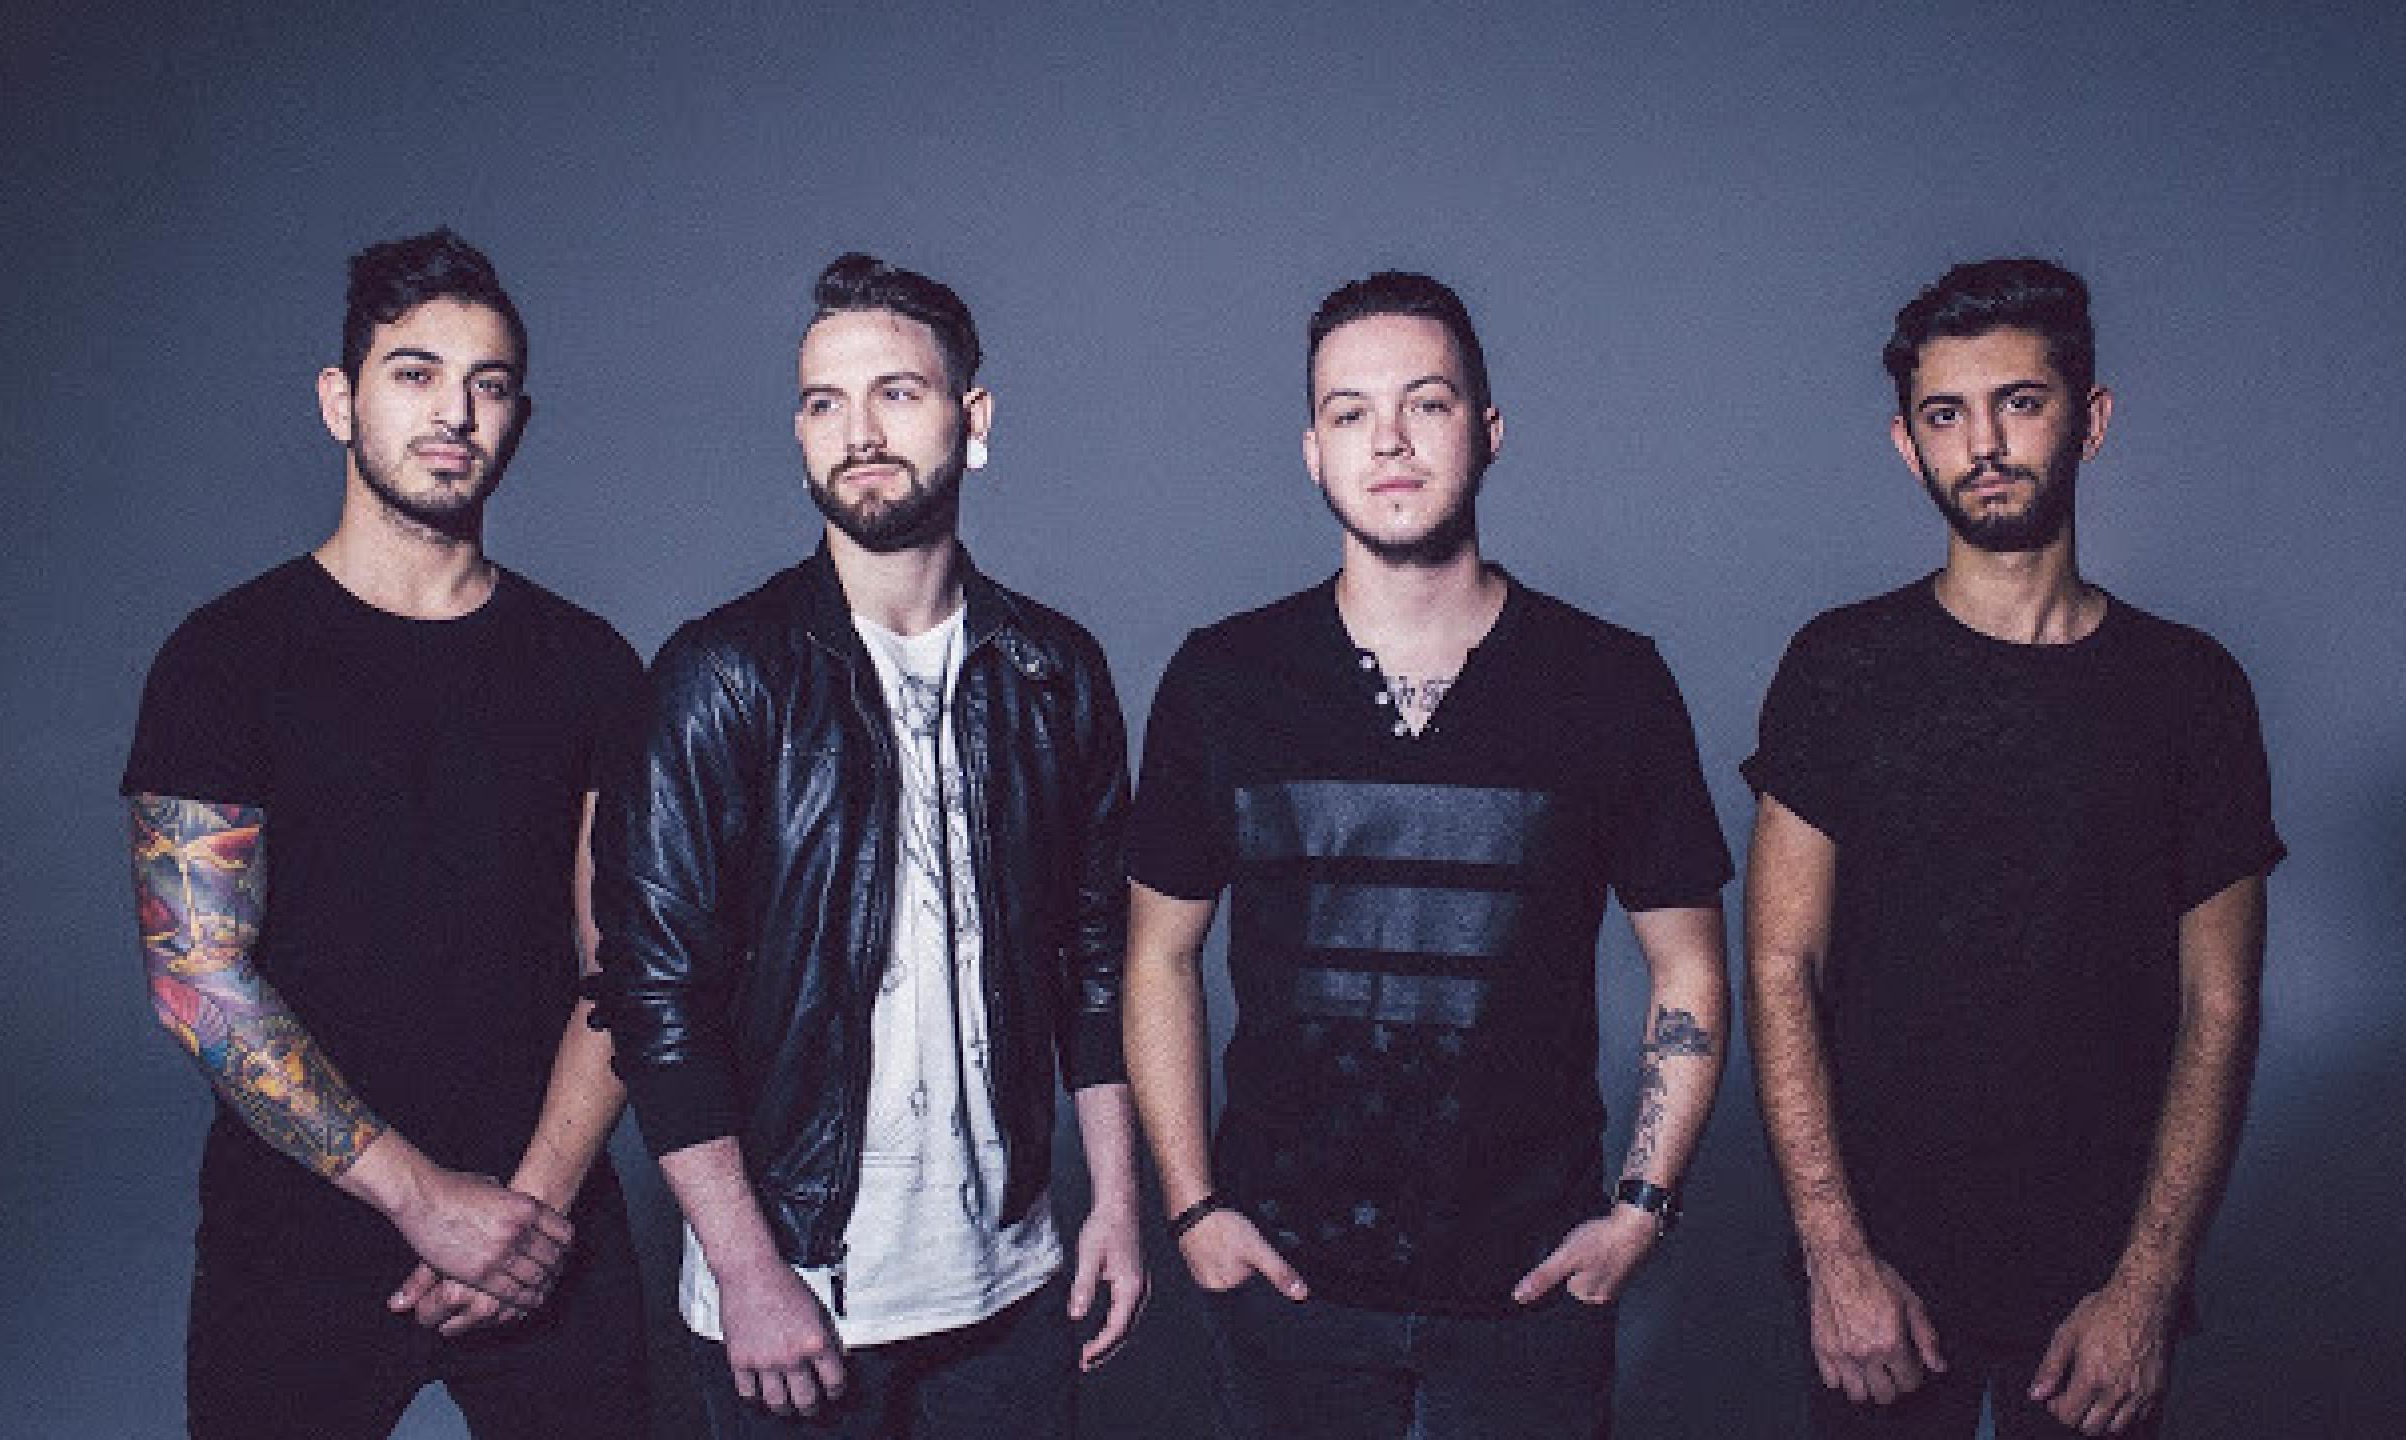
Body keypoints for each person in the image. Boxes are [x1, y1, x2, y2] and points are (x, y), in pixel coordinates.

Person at [1121, 270, 1733, 1439]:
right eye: (1350, 412)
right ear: (1313, 451)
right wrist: (1193, 1209)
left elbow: (1689, 967)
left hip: (1531, 1288)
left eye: (1427, 403)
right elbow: (1156, 953)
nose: (1389, 440)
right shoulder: (1224, 680)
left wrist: (1642, 1210)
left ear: (1488, 431)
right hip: (1287, 1285)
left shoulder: (1608, 682)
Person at [595, 253, 1146, 1439]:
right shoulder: (720, 676)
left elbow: (1096, 958)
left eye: (897, 392)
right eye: (823, 403)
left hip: (1010, 1286)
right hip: (792, 1291)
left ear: (973, 419)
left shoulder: (1052, 672)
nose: (858, 433)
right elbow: (653, 996)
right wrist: (745, 1270)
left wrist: (1116, 1198)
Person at [1743, 257, 2284, 1438]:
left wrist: (2144, 1291)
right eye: (1945, 415)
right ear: (1908, 445)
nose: (1982, 444)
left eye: (2019, 403)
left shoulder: (2191, 690)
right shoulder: (1839, 667)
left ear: (2089, 420)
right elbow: (1782, 969)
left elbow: (2221, 1006)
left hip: (2098, 1284)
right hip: (1881, 1278)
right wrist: (1835, 1260)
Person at [123, 227, 649, 1438]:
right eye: (415, 373)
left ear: (519, 420)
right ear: (339, 400)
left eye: (488, 384)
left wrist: (528, 1217)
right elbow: (197, 976)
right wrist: (422, 1202)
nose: (453, 412)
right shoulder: (226, 659)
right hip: (297, 1232)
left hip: (548, 1223)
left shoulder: (590, 666)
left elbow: (623, 965)